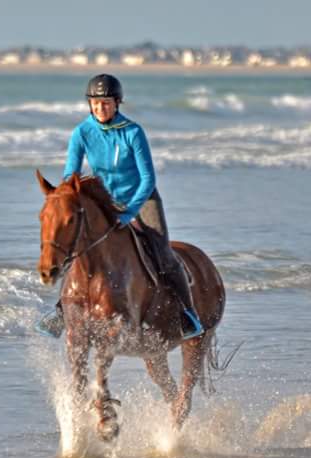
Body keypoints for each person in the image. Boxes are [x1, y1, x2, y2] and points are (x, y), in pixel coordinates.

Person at [36, 74, 203, 340]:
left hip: (142, 198)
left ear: (117, 103)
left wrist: (129, 213)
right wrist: (65, 195)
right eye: (95, 103)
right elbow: (71, 174)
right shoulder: (82, 132)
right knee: (76, 246)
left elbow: (148, 179)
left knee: (162, 252)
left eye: (106, 103)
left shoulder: (133, 132)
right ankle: (60, 312)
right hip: (105, 201)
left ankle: (187, 314)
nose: (100, 108)